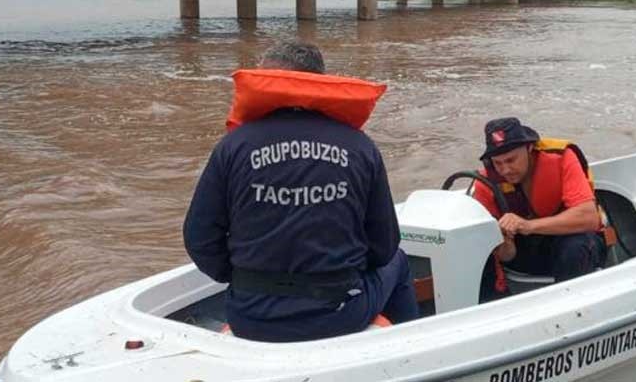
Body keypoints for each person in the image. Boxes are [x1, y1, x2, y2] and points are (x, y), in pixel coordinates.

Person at [182, 40, 418, 342]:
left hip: (249, 316)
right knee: (398, 260)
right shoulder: (360, 146)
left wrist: (242, 279)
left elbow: (199, 239)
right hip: (340, 313)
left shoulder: (233, 146)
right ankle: (407, 352)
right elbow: (384, 244)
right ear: (319, 81)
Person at [470, 117, 605, 296]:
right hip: (525, 253)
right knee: (477, 254)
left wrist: (528, 226)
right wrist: (506, 242)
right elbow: (505, 256)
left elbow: (589, 218)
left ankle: (569, 311)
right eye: (498, 163)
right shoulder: (486, 182)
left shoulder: (561, 157)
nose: (505, 170)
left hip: (569, 242)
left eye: (511, 160)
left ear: (529, 148)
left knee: (576, 248)